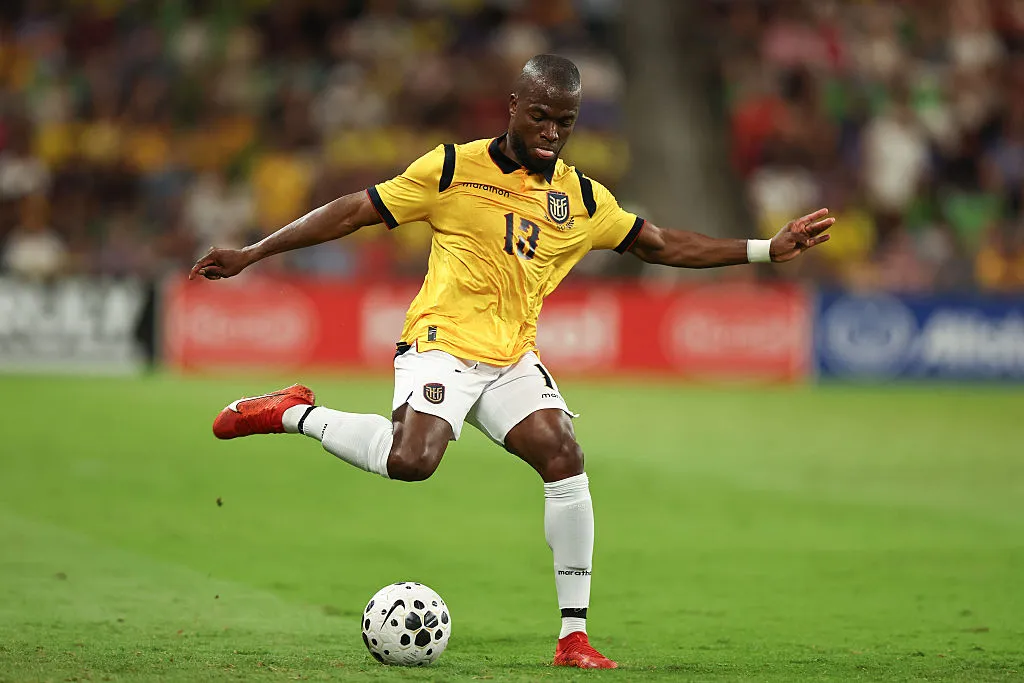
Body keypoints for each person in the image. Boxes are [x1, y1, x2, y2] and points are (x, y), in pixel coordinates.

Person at [189, 55, 834, 669]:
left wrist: (764, 250)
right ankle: (293, 413)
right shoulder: (452, 168)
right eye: (541, 117)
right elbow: (355, 210)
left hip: (511, 357)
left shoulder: (582, 199)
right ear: (514, 106)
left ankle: (574, 637)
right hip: (442, 342)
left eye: (566, 122)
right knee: (412, 461)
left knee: (564, 456)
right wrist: (253, 252)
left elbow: (660, 244)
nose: (552, 132)